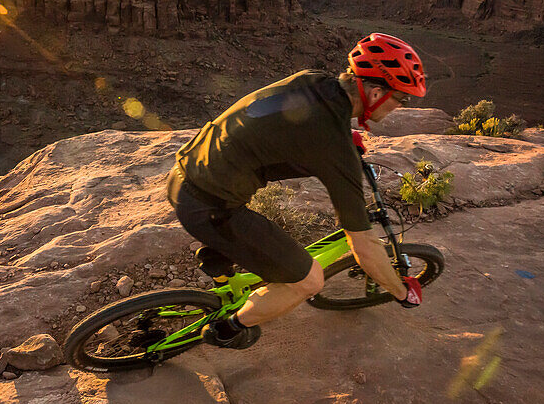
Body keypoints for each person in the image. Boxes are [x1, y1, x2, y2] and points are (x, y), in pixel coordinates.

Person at [166, 33, 428, 349]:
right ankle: (228, 329)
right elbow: (364, 247)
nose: (401, 106)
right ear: (375, 93)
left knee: (258, 237)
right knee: (310, 280)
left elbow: (289, 119)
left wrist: (344, 136)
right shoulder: (334, 146)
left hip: (183, 172)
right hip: (208, 207)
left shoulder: (315, 80)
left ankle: (220, 261)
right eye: (401, 98)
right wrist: (401, 291)